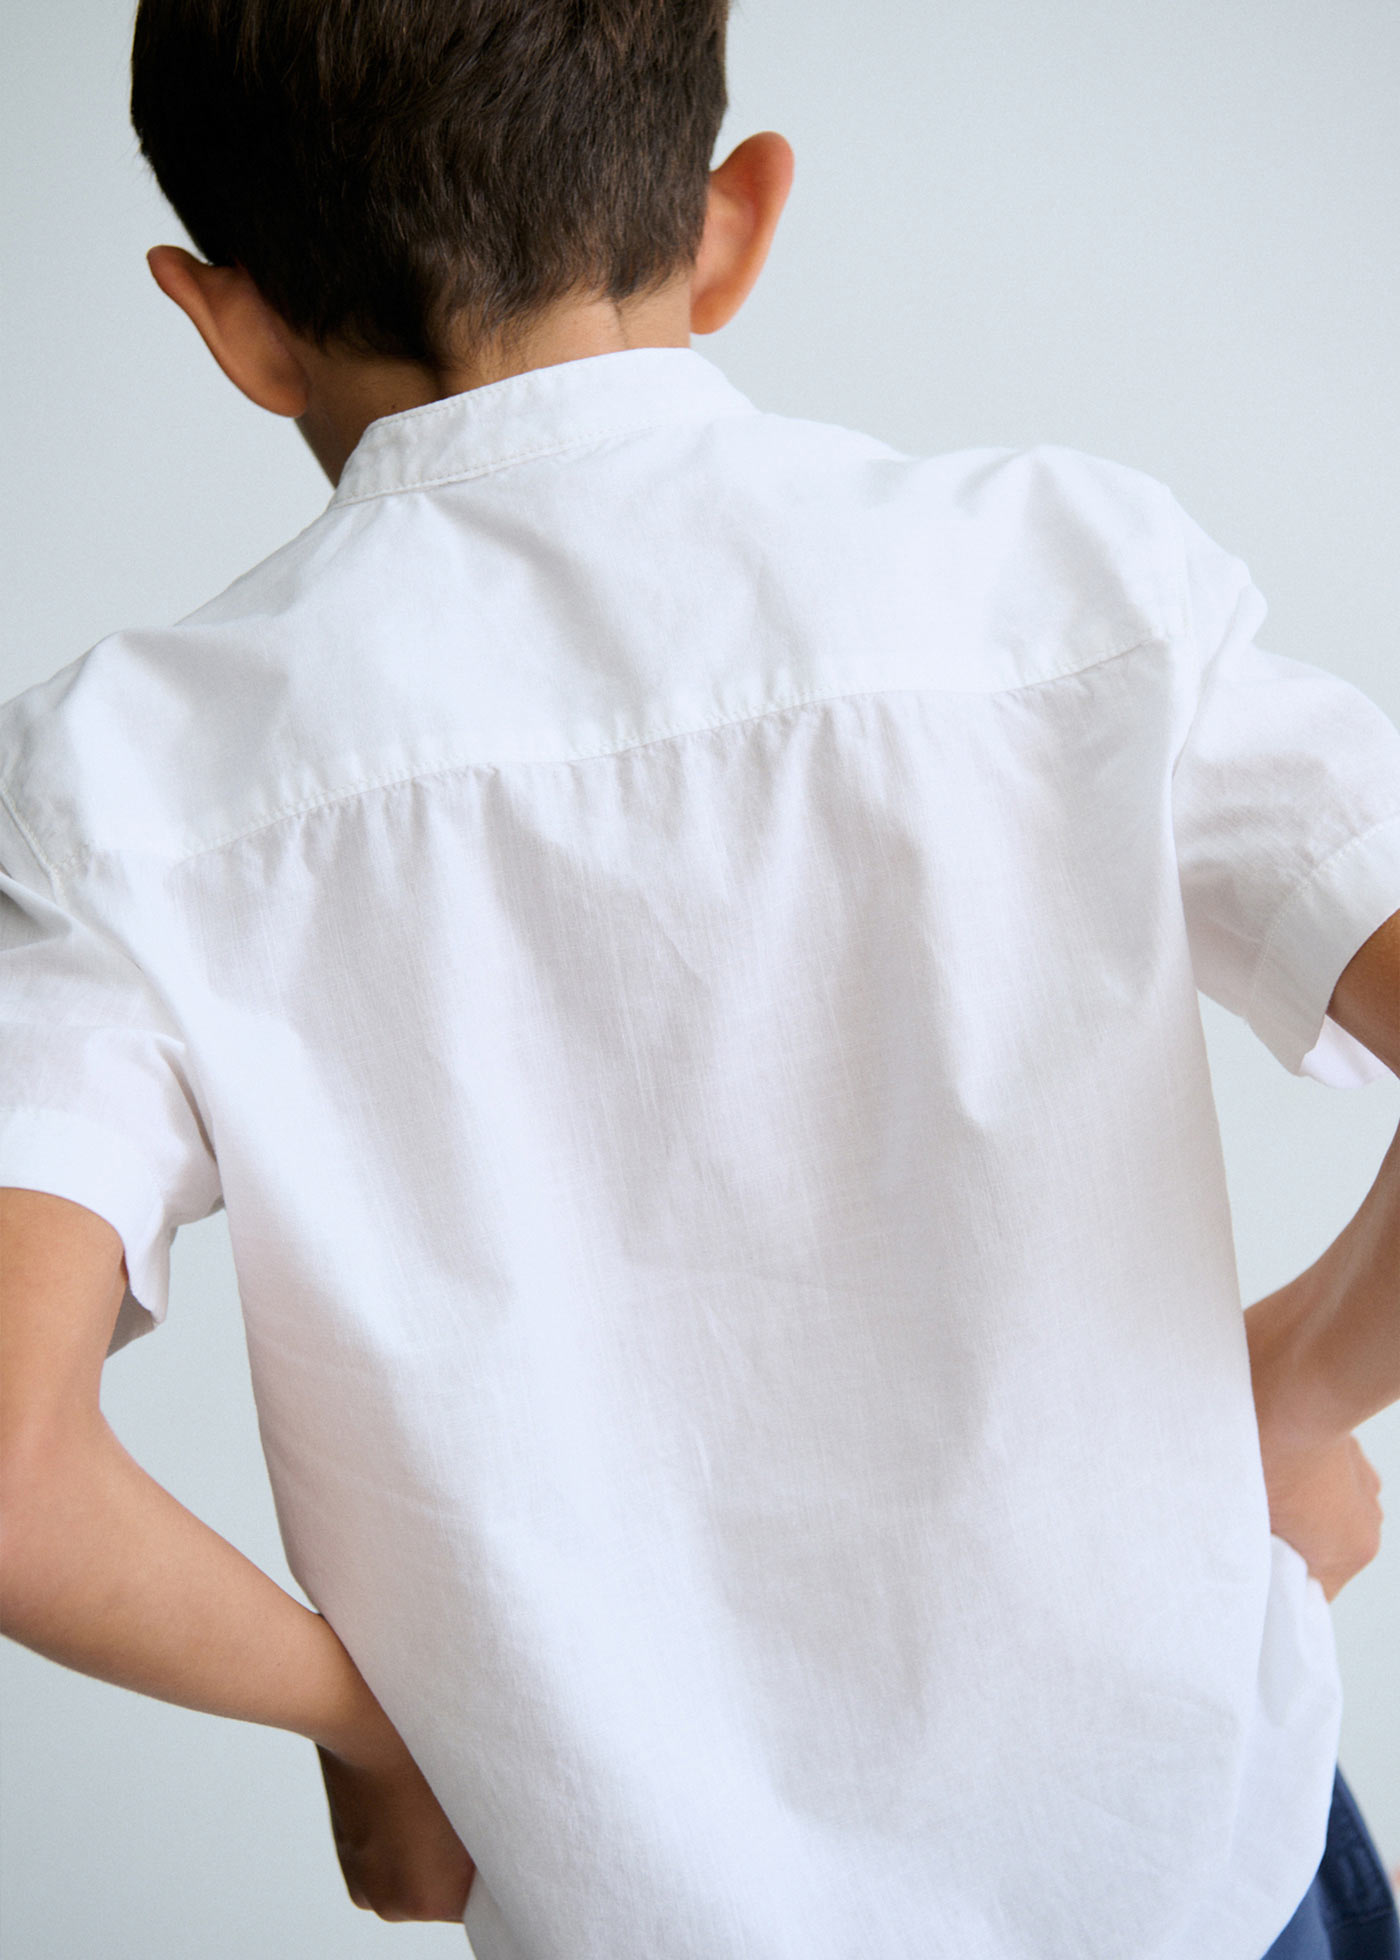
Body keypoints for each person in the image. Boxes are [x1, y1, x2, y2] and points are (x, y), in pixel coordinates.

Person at [0, 2, 1397, 1954]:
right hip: (1189, 1877)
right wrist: (1296, 1386)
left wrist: (376, 1728)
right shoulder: (1057, 583)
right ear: (732, 220)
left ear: (230, 323)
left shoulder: (125, 786)